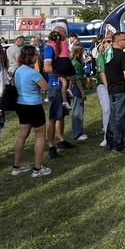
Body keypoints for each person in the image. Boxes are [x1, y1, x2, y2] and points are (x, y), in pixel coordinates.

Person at [11, 46, 51, 178]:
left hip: (21, 105)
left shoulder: (18, 70)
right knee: (40, 136)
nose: (37, 57)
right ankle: (37, 168)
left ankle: (16, 166)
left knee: (22, 135)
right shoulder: (33, 72)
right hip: (34, 105)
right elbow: (45, 86)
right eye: (36, 55)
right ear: (31, 56)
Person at [42, 26, 76, 159]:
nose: (65, 36)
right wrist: (62, 76)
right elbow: (47, 67)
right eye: (63, 34)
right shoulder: (50, 49)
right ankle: (51, 146)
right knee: (53, 117)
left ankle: (61, 140)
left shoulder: (57, 48)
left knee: (60, 115)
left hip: (60, 85)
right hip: (55, 86)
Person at [104, 32, 125, 154]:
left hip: (112, 89)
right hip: (121, 90)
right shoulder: (122, 56)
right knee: (119, 118)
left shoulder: (108, 55)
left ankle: (109, 142)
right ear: (118, 41)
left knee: (112, 117)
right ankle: (119, 145)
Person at [95, 37, 112, 147]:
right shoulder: (101, 56)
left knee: (114, 110)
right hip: (103, 86)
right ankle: (106, 136)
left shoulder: (114, 55)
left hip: (115, 85)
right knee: (106, 110)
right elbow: (102, 73)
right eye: (107, 41)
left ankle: (114, 134)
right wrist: (108, 87)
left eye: (111, 41)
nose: (109, 43)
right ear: (103, 44)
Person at [70, 44, 88, 141]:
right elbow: (77, 79)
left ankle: (78, 131)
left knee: (78, 110)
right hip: (77, 89)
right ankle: (77, 133)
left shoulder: (77, 62)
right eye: (82, 51)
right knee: (78, 111)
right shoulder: (76, 63)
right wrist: (82, 92)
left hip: (77, 88)